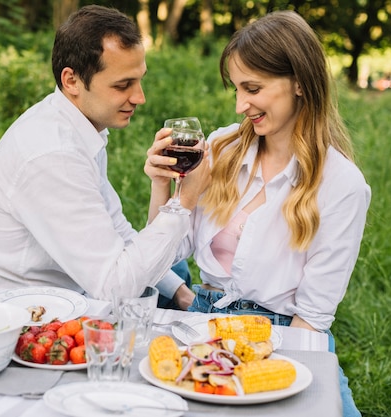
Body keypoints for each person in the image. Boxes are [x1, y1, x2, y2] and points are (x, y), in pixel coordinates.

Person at [145, 10, 370, 416]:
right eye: (235, 88)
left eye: (252, 88)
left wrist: (250, 369)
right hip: (200, 321)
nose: (239, 105)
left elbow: (312, 318)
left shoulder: (343, 185)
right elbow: (162, 255)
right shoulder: (221, 148)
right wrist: (162, 186)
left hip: (282, 337)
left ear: (299, 82)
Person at [0, 5, 206, 308]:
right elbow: (116, 287)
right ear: (72, 81)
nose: (139, 98)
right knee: (161, 265)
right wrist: (184, 202)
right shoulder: (53, 155)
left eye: (139, 80)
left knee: (174, 271)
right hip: (34, 317)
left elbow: (118, 232)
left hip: (74, 290)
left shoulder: (77, 128)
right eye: (122, 85)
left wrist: (181, 294)